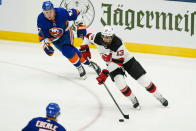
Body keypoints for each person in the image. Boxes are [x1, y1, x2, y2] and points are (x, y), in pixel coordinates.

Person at [78, 25, 168, 109]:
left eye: (109, 37)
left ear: (113, 36)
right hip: (112, 64)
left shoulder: (118, 43)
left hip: (127, 61)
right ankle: (133, 99)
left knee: (144, 81)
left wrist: (105, 72)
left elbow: (117, 62)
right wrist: (84, 46)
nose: (107, 39)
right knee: (120, 84)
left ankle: (159, 96)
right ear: (102, 36)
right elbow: (87, 36)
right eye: (105, 37)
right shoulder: (97, 38)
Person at [37, 1, 100, 79]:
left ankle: (79, 67)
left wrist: (80, 24)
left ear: (53, 10)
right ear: (43, 12)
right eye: (46, 12)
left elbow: (77, 13)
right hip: (54, 40)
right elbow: (42, 35)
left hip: (66, 33)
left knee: (67, 51)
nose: (49, 14)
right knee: (71, 51)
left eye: (50, 11)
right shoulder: (40, 19)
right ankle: (89, 63)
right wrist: (45, 45)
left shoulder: (61, 12)